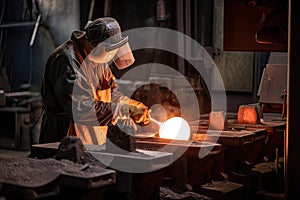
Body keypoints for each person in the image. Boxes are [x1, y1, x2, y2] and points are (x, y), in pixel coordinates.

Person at [39, 17, 151, 145]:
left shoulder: (97, 59)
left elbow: (110, 92)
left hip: (92, 137)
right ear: (97, 45)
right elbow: (80, 108)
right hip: (66, 136)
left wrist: (129, 104)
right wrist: (122, 109)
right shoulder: (67, 61)